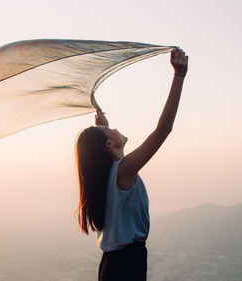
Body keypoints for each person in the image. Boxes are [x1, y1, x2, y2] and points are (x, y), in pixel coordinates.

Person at [75, 47, 188, 281]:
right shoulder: (123, 172)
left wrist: (103, 128)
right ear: (107, 144)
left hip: (113, 265)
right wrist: (179, 76)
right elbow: (163, 130)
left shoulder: (111, 175)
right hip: (127, 265)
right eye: (109, 130)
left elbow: (116, 158)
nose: (115, 128)